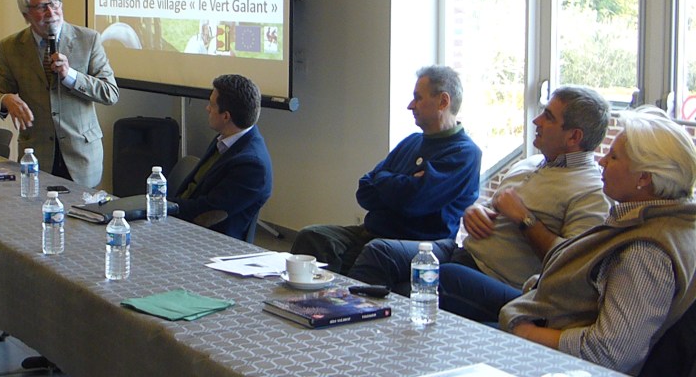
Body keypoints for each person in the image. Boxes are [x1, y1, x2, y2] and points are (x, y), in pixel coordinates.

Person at [349, 85, 612, 319]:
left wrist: (525, 219)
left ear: (574, 137)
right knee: (380, 252)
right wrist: (475, 211)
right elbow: (493, 212)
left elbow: (572, 267)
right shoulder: (529, 164)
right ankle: (345, 328)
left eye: (549, 117)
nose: (536, 120)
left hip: (503, 282)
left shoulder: (591, 191)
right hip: (463, 254)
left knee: (434, 281)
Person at [500, 106, 696, 376]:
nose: (602, 161)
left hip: (563, 364)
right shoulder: (675, 221)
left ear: (643, 178)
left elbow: (609, 353)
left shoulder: (645, 252)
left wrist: (525, 333)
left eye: (613, 157)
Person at [290, 66, 482, 273]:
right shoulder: (411, 141)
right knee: (312, 236)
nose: (410, 105)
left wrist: (385, 180)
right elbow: (364, 191)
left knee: (375, 251)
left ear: (443, 101)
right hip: (373, 232)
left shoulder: (464, 153)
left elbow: (414, 202)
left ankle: (337, 293)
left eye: (418, 98)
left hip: (419, 245)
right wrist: (401, 183)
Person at [0, 0, 119, 188]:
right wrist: (6, 100)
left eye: (55, 4)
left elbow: (110, 93)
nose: (51, 12)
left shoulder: (88, 40)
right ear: (26, 15)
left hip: (81, 155)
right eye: (42, 7)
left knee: (82, 209)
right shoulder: (11, 47)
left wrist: (70, 75)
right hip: (37, 155)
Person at [169, 74, 272, 240]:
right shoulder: (225, 138)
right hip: (181, 223)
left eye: (211, 104)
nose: (207, 108)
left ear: (226, 116)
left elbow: (207, 212)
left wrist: (161, 206)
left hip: (207, 240)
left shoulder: (252, 165)